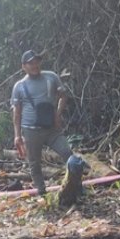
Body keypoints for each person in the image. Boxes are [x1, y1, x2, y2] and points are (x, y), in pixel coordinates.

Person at [11, 50, 72, 195]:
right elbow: (17, 113)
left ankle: (74, 185)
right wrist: (17, 135)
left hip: (52, 128)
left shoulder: (51, 77)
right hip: (31, 130)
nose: (34, 65)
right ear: (23, 67)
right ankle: (42, 193)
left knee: (68, 154)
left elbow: (63, 96)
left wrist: (58, 114)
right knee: (34, 164)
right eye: (30, 63)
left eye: (36, 61)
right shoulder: (19, 86)